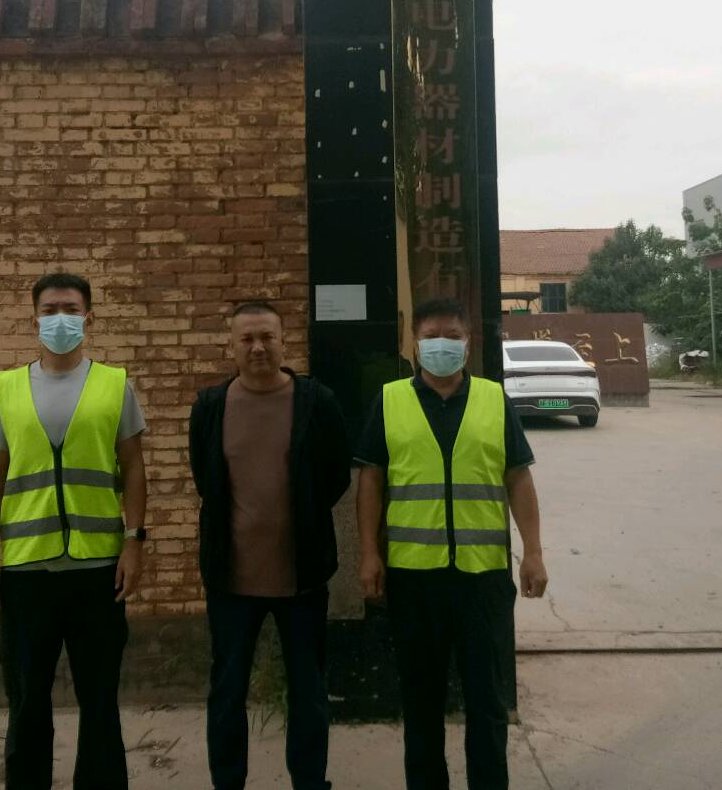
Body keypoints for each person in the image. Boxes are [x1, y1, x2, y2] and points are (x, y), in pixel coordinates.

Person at [357, 296, 548, 790]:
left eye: (452, 336)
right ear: (414, 344)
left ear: (469, 343)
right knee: (421, 704)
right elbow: (371, 480)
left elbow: (518, 477)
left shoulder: (493, 399)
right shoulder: (389, 400)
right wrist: (369, 553)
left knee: (488, 702)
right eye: (431, 337)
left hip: (482, 579)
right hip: (413, 579)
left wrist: (534, 552)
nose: (441, 345)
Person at [0, 272, 148, 790]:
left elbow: (134, 468)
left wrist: (134, 544)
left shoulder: (114, 385)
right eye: (49, 310)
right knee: (27, 701)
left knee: (100, 701)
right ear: (34, 319)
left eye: (70, 309)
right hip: (27, 570)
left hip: (98, 570)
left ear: (88, 317)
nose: (59, 319)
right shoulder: (7, 388)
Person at [189, 301, 351, 790]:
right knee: (227, 691)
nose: (258, 347)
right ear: (231, 346)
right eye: (247, 339)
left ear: (284, 341)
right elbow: (206, 478)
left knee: (308, 691)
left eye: (267, 337)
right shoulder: (211, 406)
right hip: (231, 579)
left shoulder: (316, 402)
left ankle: (310, 782)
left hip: (302, 576)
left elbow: (336, 474)